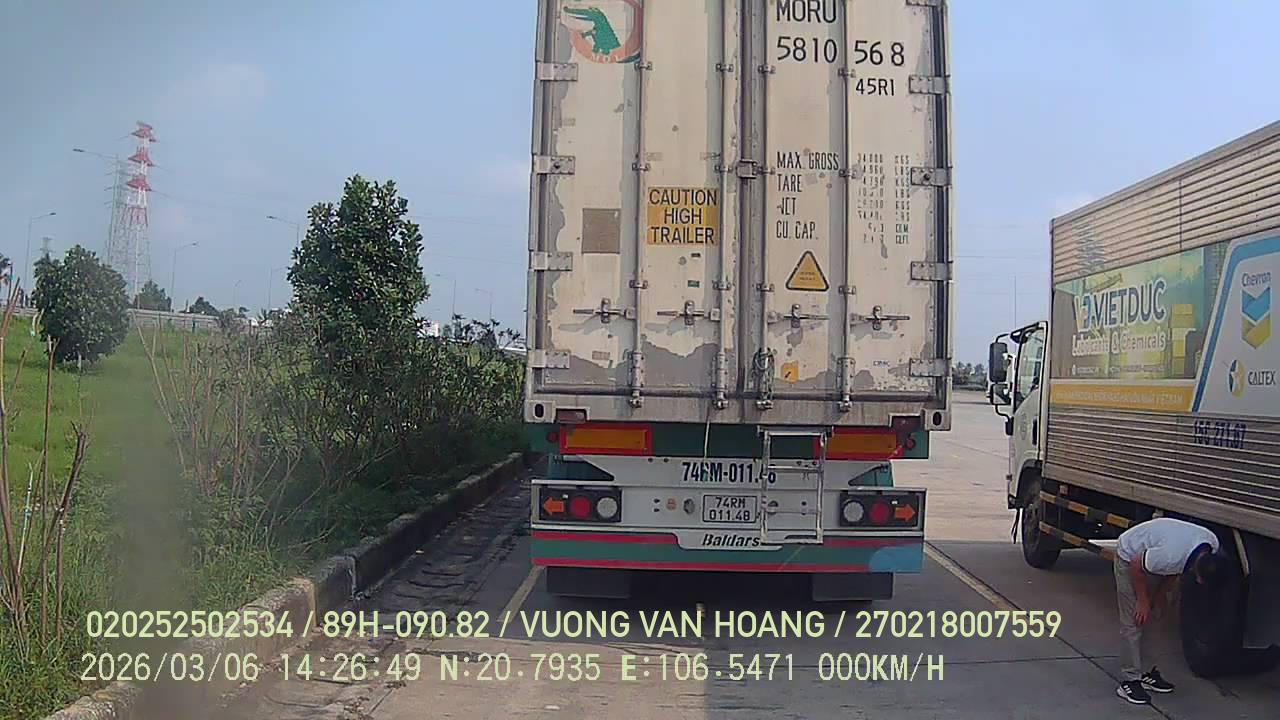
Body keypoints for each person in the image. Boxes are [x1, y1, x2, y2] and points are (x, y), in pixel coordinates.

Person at [1113, 516, 1228, 705]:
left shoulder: (1211, 543)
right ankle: (1130, 680)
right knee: (1134, 621)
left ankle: (1146, 673)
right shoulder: (1170, 556)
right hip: (1129, 556)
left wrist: (1159, 596)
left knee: (1156, 616)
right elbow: (1136, 564)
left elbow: (1176, 569)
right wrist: (1142, 600)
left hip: (1155, 554)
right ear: (1199, 577)